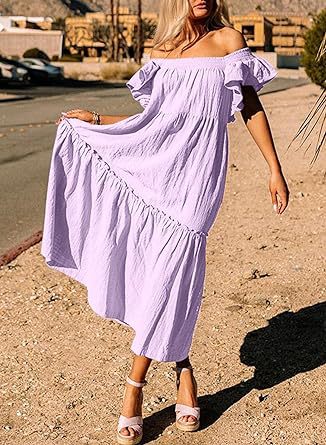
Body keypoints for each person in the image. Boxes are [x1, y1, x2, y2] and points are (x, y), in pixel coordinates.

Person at [42, 0, 290, 443]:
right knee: (163, 277)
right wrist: (97, 121)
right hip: (157, 169)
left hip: (197, 181)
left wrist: (274, 167)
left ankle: (132, 387)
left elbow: (250, 107)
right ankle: (184, 369)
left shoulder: (229, 41)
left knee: (174, 269)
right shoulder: (161, 51)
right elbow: (153, 122)